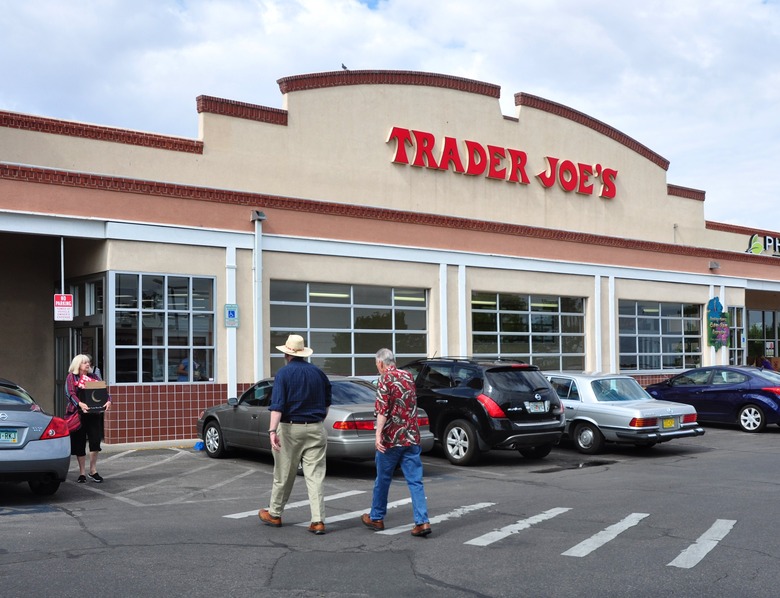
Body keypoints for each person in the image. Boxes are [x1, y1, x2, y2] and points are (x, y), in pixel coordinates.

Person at [258, 334, 331, 535]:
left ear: (286, 354)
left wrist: (272, 431)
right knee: (315, 476)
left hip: (290, 429)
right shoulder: (318, 373)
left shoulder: (283, 374)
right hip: (316, 427)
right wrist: (317, 421)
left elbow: (277, 406)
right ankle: (318, 521)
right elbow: (327, 403)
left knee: (283, 473)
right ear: (304, 353)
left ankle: (275, 514)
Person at [362, 348, 431, 537]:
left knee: (383, 479)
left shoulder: (384, 379)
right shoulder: (408, 376)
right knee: (415, 481)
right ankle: (422, 521)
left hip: (391, 439)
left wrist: (378, 435)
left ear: (381, 363)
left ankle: (376, 517)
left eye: (377, 364)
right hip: (411, 437)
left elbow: (383, 410)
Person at [65, 353, 111, 483]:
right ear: (78, 364)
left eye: (88, 362)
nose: (87, 364)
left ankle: (93, 470)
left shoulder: (94, 377)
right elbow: (70, 393)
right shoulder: (71, 377)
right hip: (78, 414)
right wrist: (80, 403)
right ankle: (82, 473)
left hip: (93, 414)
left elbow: (103, 392)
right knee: (79, 443)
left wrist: (108, 400)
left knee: (95, 441)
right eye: (84, 362)